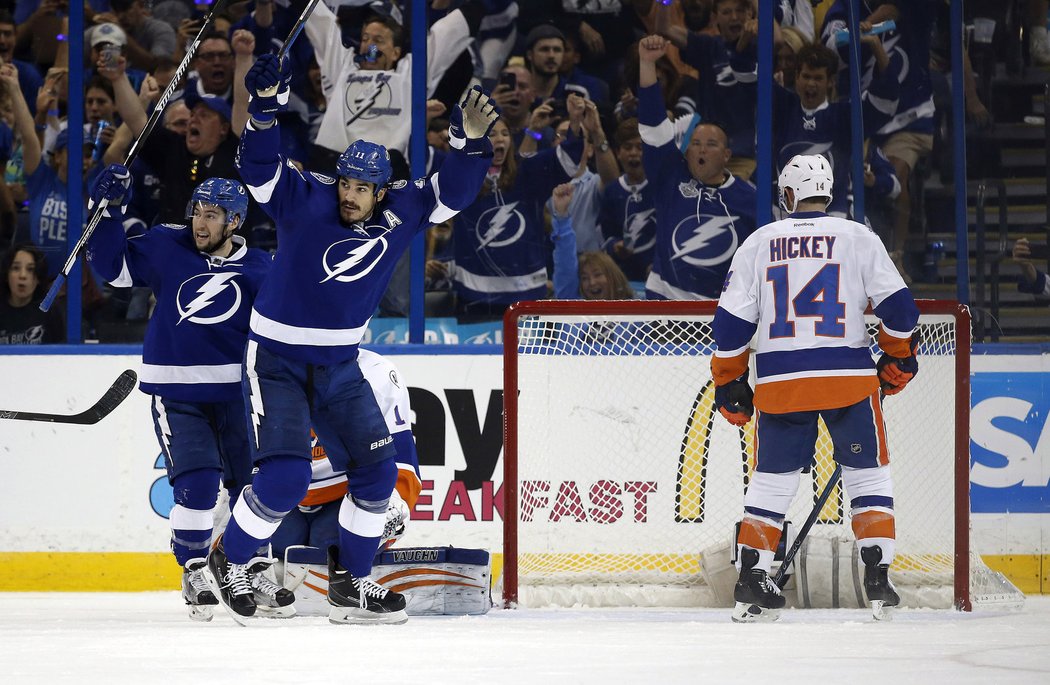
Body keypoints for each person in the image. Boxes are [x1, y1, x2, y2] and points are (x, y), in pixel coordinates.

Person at [207, 53, 498, 625]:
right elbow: (259, 171)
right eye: (346, 182)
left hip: (340, 363)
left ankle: (352, 584)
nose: (350, 195)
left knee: (376, 474)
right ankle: (230, 559)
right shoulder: (308, 198)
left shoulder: (404, 209)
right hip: (279, 360)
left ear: (383, 192)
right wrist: (264, 112)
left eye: (364, 187)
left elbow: (455, 193)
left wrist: (469, 145)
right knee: (286, 476)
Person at [711, 153, 920, 622]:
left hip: (782, 382)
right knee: (868, 475)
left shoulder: (759, 242)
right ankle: (878, 576)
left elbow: (729, 327)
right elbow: (902, 312)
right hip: (848, 379)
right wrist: (898, 354)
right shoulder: (858, 236)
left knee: (772, 481)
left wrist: (729, 381)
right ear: (829, 194)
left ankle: (752, 575)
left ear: (787, 196)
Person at [85, 170, 277, 622]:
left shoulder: (261, 267)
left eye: (212, 215)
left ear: (235, 222)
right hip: (177, 391)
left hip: (238, 394)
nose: (199, 223)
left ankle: (249, 567)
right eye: (197, 212)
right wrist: (108, 212)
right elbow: (112, 271)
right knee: (198, 484)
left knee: (249, 485)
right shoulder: (166, 244)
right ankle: (193, 569)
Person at [636, 35, 757, 301]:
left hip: (717, 313)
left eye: (711, 144)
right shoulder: (670, 175)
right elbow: (653, 128)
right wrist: (647, 63)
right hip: (663, 305)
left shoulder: (750, 199)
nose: (701, 149)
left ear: (727, 155)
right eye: (696, 143)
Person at [271, 349, 422, 561]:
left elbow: (402, 457)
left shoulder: (377, 374)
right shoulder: (266, 370)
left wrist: (392, 503)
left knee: (329, 544)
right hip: (283, 494)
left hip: (349, 493)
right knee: (279, 542)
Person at [0, 243, 64, 344]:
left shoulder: (50, 311)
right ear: (6, 275)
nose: (22, 275)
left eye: (30, 269)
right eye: (16, 268)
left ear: (38, 277)